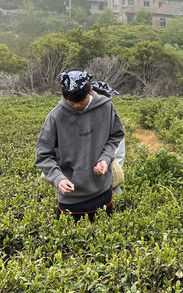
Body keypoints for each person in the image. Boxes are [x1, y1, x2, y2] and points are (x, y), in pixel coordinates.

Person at [35, 69, 125, 221]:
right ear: (64, 95)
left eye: (80, 101)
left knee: (104, 237)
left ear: (90, 91)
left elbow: (115, 136)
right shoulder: (55, 117)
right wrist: (58, 179)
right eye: (71, 101)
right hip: (71, 196)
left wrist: (105, 158)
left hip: (102, 190)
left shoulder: (106, 107)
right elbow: (43, 155)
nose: (76, 105)